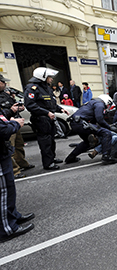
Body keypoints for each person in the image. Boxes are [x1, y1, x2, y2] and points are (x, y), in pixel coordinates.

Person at [0, 77, 35, 242]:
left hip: (2, 151)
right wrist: (16, 124)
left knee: (9, 188)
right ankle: (6, 228)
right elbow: (1, 129)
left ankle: (13, 216)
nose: (4, 84)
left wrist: (11, 112)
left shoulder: (4, 96)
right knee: (3, 192)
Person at [24, 67, 70, 170]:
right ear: (43, 77)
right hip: (40, 119)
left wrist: (61, 109)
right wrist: (46, 112)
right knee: (45, 142)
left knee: (51, 140)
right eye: (50, 77)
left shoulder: (46, 88)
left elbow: (51, 103)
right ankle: (48, 163)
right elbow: (30, 105)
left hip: (49, 118)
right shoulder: (32, 88)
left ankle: (52, 158)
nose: (52, 79)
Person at [64, 94, 117, 165]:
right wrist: (109, 127)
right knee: (106, 133)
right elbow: (100, 119)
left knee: (87, 142)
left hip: (75, 123)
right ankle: (106, 156)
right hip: (82, 123)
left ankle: (70, 157)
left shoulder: (91, 103)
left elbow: (93, 120)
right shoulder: (100, 104)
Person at [0, 85, 34, 179]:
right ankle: (15, 171)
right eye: (2, 82)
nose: (5, 84)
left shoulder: (5, 94)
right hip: (6, 125)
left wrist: (17, 108)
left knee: (19, 145)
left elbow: (10, 108)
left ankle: (22, 163)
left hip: (14, 122)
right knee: (9, 147)